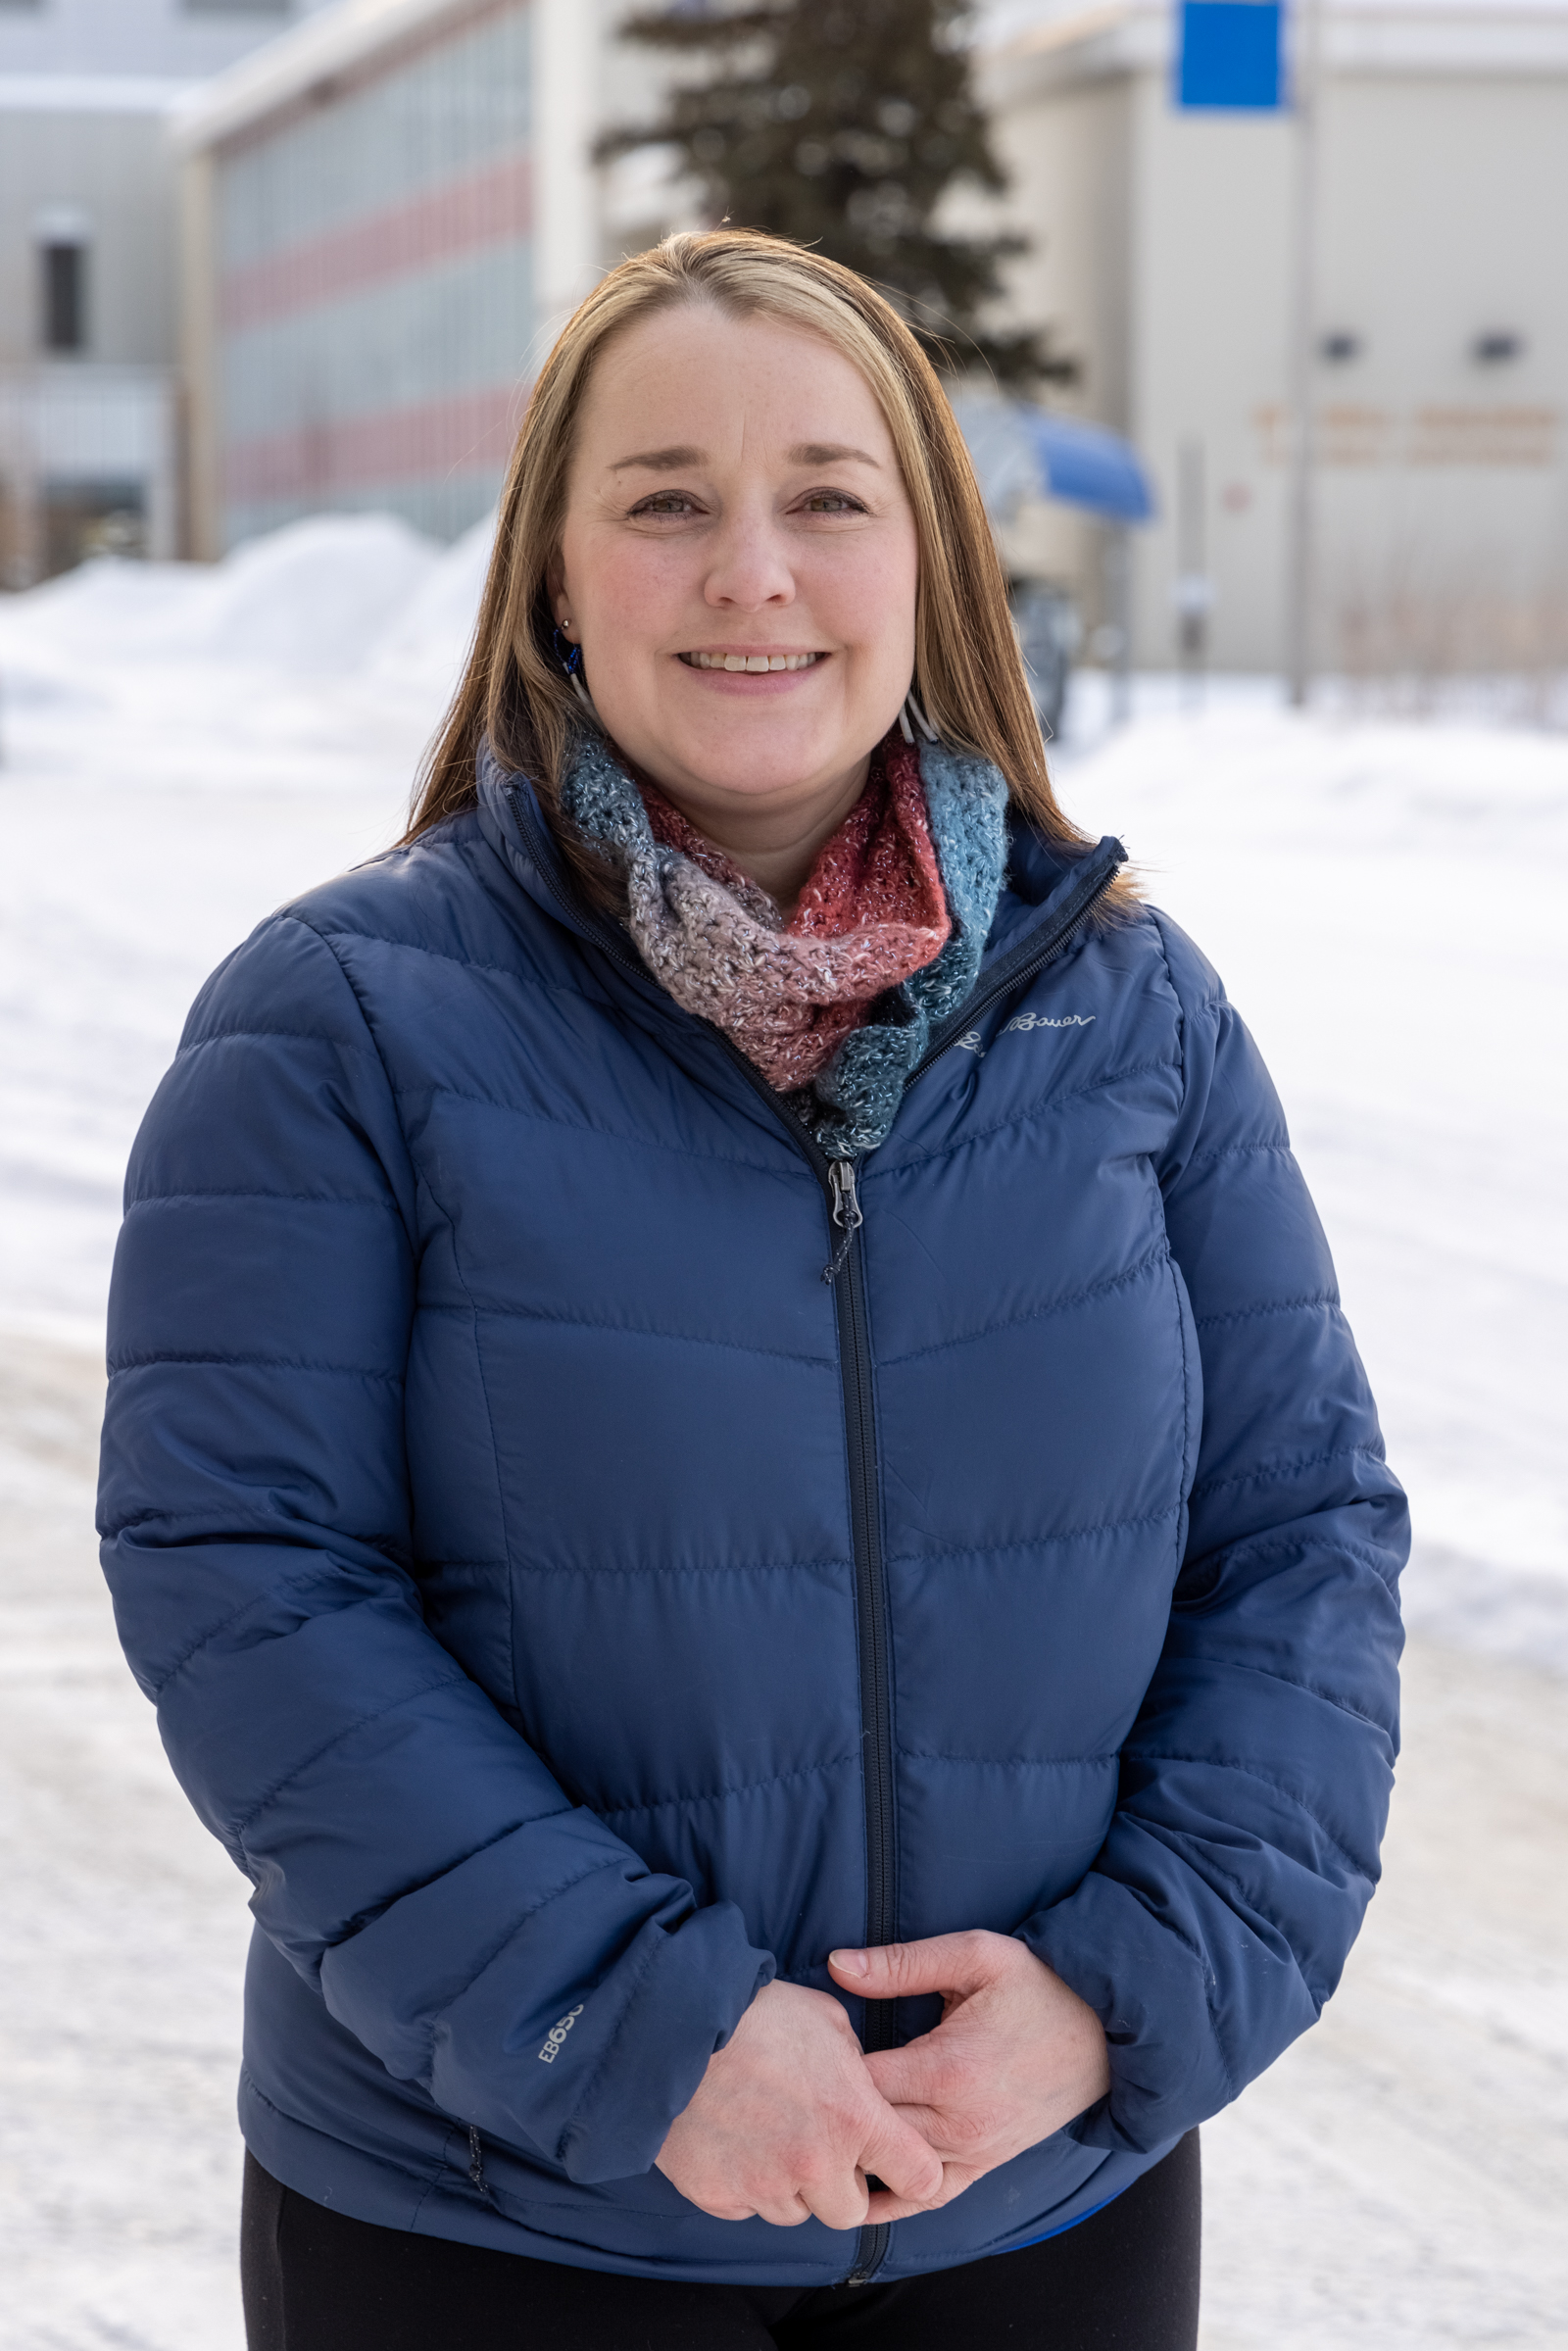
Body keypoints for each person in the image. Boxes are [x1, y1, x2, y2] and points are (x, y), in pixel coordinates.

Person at [98, 230, 1406, 2351]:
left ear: (927, 558)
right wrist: (637, 2029)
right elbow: (245, 1572)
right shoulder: (340, 1022)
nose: (752, 572)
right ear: (549, 572)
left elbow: (1302, 1543)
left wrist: (1120, 1994)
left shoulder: (1130, 1013)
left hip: (1032, 2217)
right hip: (501, 2227)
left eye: (824, 496)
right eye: (664, 503)